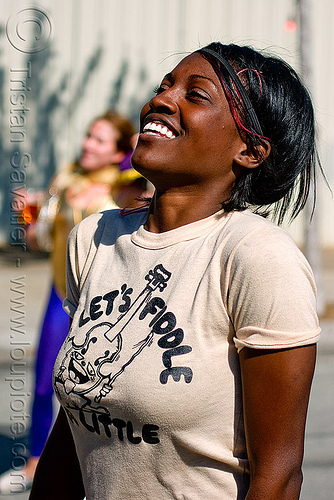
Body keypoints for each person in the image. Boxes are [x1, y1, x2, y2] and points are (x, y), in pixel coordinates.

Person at [29, 42, 321, 500]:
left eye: (196, 95)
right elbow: (78, 421)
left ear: (250, 150)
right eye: (166, 86)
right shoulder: (95, 238)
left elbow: (279, 476)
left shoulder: (255, 257)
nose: (161, 100)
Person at [0, 110, 147, 496]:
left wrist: (134, 146)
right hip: (59, 293)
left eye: (99, 140)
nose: (87, 144)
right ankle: (35, 462)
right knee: (46, 383)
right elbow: (38, 241)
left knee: (99, 388)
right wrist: (27, 216)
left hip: (102, 303)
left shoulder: (125, 184)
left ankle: (99, 463)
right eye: (88, 136)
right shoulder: (65, 180)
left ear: (117, 150)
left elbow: (142, 162)